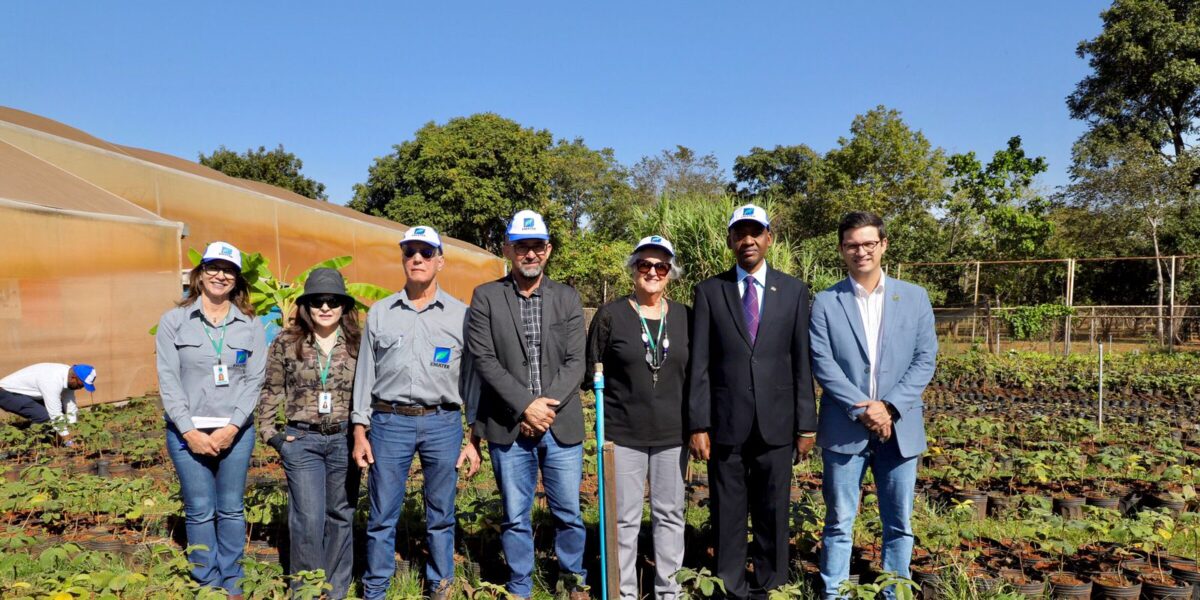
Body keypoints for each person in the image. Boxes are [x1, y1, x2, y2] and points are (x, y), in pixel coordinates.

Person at [688, 204, 817, 600]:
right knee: (727, 510)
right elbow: (700, 364)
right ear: (730, 240)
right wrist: (698, 423)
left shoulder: (793, 291)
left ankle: (770, 583)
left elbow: (801, 361)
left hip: (777, 423)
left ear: (768, 239)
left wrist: (806, 423)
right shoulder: (710, 291)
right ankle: (730, 585)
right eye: (740, 234)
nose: (748, 240)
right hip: (726, 423)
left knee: (773, 509)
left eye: (755, 233)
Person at [811, 212, 936, 600]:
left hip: (900, 429)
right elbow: (822, 361)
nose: (860, 251)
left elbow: (925, 358)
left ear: (883, 245)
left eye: (868, 243)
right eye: (852, 244)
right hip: (845, 428)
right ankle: (836, 593)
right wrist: (864, 408)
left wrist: (890, 407)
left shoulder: (914, 297)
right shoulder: (826, 301)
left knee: (899, 522)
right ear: (841, 249)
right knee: (839, 521)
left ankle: (894, 592)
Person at [351, 226, 480, 600]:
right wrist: (361, 431)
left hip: (443, 422)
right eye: (410, 252)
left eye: (426, 252)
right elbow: (365, 376)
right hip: (389, 422)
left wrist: (474, 438)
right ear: (403, 259)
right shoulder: (380, 313)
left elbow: (472, 379)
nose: (418, 259)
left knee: (441, 512)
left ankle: (440, 583)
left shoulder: (461, 315)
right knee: (381, 514)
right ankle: (376, 587)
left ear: (440, 260)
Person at [466, 210, 588, 600]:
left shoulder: (567, 297)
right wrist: (525, 407)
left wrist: (544, 409)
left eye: (537, 246)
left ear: (548, 250)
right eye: (522, 246)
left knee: (568, 513)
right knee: (515, 516)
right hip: (509, 424)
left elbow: (576, 362)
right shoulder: (486, 296)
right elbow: (484, 359)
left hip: (560, 423)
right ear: (508, 249)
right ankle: (520, 585)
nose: (530, 253)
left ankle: (572, 581)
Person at [156, 240, 267, 598]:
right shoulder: (174, 322)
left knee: (232, 508)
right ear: (200, 274)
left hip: (236, 431)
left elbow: (255, 380)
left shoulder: (250, 324)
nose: (221, 275)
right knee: (201, 508)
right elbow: (168, 379)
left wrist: (232, 427)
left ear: (237, 280)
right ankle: (207, 581)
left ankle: (232, 580)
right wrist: (189, 432)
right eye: (214, 268)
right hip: (186, 432)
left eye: (229, 270)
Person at [586, 235, 691, 600]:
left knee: (670, 517)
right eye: (644, 265)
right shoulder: (610, 315)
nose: (652, 271)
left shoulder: (684, 317)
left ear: (670, 273)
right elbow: (591, 372)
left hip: (673, 437)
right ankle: (623, 593)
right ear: (634, 270)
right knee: (623, 521)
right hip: (622, 435)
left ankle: (668, 592)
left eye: (660, 266)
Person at [257, 268, 361, 599]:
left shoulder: (360, 344)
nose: (326, 307)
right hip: (302, 440)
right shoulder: (287, 342)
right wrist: (271, 434)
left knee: (340, 516)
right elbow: (270, 388)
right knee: (307, 519)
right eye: (318, 301)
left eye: (333, 301)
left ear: (344, 306)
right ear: (307, 306)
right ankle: (305, 590)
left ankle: (335, 591)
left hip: (345, 439)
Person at [0, 363, 96, 442]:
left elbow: (70, 405)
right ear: (73, 378)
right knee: (44, 416)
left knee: (62, 411)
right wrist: (68, 440)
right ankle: (30, 443)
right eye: (81, 385)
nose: (80, 388)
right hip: (6, 393)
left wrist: (73, 429)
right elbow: (55, 413)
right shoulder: (52, 380)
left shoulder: (68, 375)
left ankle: (49, 437)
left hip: (26, 394)